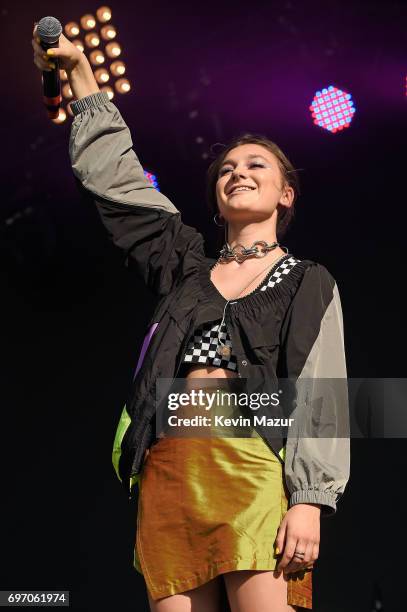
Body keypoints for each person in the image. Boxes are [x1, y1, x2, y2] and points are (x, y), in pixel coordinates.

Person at [32, 25, 350, 612]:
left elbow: (322, 390)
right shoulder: (185, 268)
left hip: (249, 463)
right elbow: (119, 185)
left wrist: (309, 499)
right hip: (170, 470)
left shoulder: (307, 279)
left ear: (286, 195)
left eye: (256, 164)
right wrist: (81, 77)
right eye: (226, 168)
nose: (237, 172)